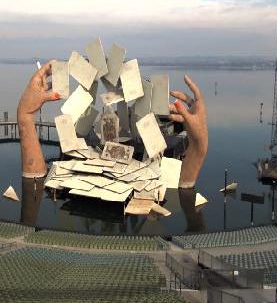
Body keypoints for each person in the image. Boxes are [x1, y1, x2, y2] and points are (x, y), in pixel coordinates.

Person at [16, 60, 209, 225]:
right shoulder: (79, 165)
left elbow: (34, 180)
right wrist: (25, 116)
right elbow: (182, 187)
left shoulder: (146, 172)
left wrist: (25, 116)